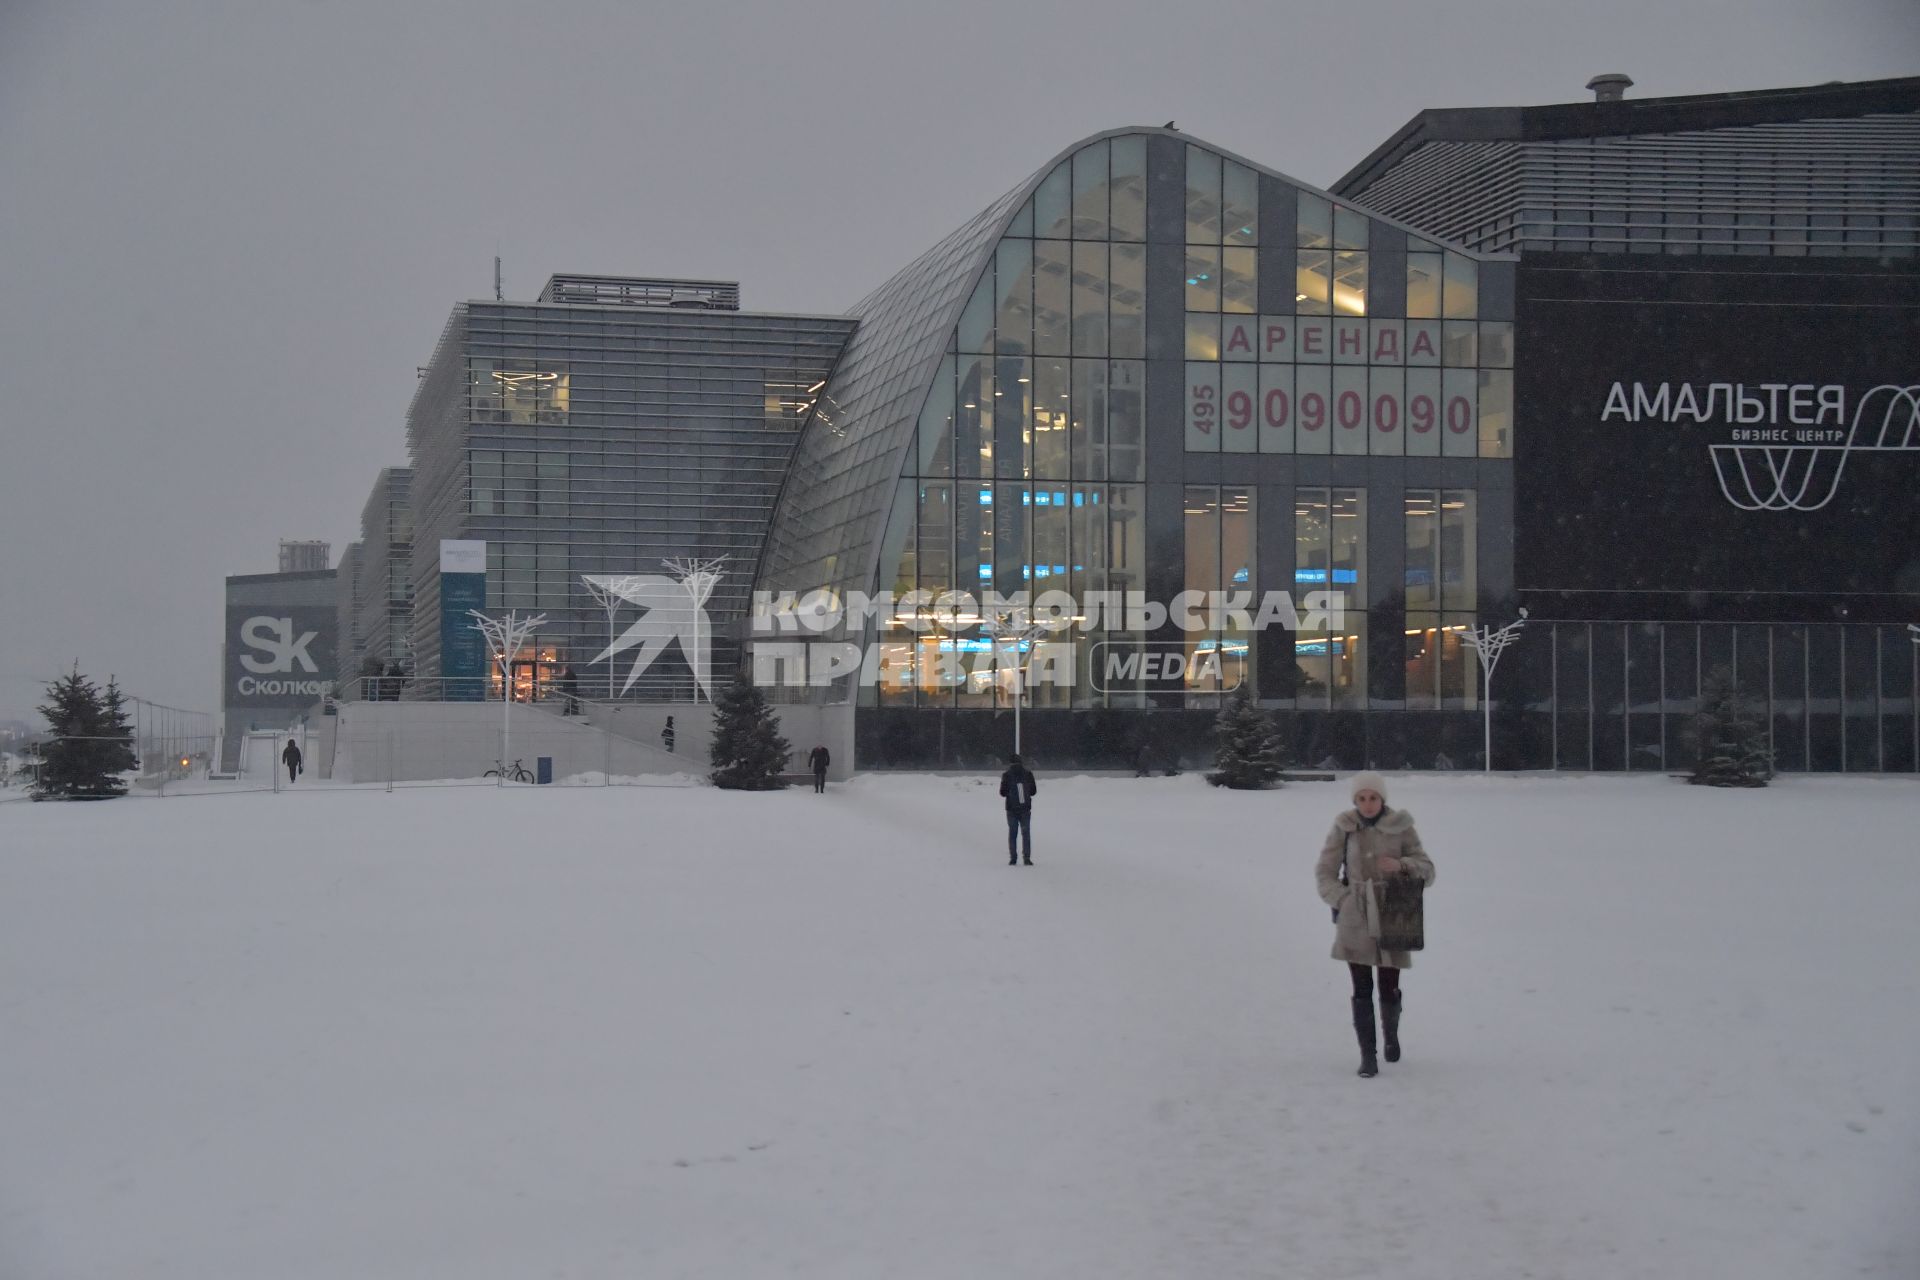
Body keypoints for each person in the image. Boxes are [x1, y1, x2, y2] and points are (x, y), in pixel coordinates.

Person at [1314, 771, 1435, 1078]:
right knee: (1361, 987)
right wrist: (1342, 899)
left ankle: (1391, 1035)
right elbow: (1324, 871)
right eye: (1362, 799)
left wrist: (1402, 865)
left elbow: (1428, 869)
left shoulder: (1401, 827)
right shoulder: (1344, 827)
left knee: (1389, 985)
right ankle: (1368, 1055)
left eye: (1373, 798)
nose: (1368, 805)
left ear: (1383, 799)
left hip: (1394, 909)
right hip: (1355, 914)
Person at [999, 752, 1038, 866]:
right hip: (1025, 808)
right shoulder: (1028, 774)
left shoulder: (1006, 775)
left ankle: (1013, 858)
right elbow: (1033, 792)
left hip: (1011, 808)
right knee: (1025, 833)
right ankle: (1026, 857)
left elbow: (1002, 792)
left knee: (1013, 833)